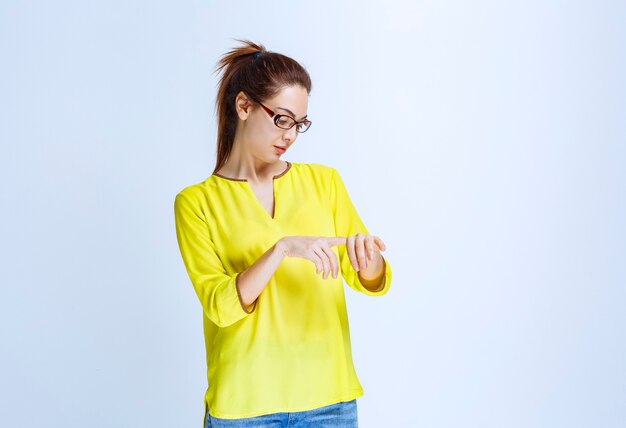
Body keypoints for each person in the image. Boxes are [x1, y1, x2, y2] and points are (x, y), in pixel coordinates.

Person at [173, 39, 393, 428]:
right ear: (243, 106)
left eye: (299, 124)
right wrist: (281, 249)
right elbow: (220, 306)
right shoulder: (196, 203)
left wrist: (368, 259)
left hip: (330, 402)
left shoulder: (324, 182)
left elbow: (369, 279)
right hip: (244, 407)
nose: (290, 135)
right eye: (282, 119)